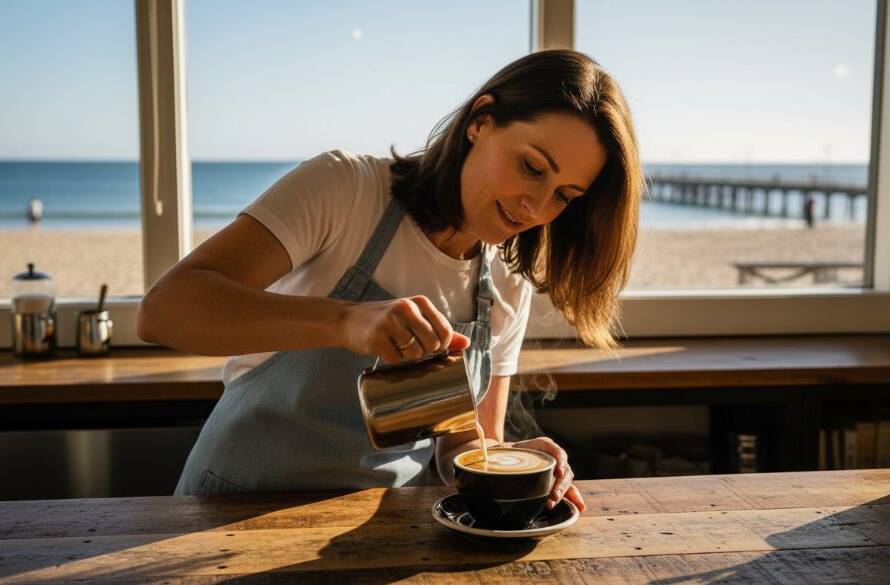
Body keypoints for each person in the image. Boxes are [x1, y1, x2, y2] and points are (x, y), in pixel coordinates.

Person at [137, 49, 643, 514]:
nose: (537, 207)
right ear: (481, 122)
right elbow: (164, 311)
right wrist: (347, 322)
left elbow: (463, 444)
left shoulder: (506, 281)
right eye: (532, 167)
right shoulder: (345, 190)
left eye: (564, 195)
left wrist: (511, 460)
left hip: (376, 534)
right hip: (230, 511)